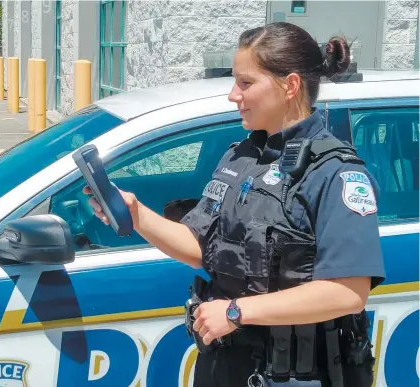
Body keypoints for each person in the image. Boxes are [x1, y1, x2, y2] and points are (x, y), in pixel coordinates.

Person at [85, 22, 384, 387]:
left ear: (289, 86)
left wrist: (235, 311)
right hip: (226, 365)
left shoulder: (335, 174)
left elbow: (348, 291)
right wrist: (135, 213)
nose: (232, 95)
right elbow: (202, 248)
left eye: (245, 83)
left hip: (294, 376)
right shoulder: (241, 157)